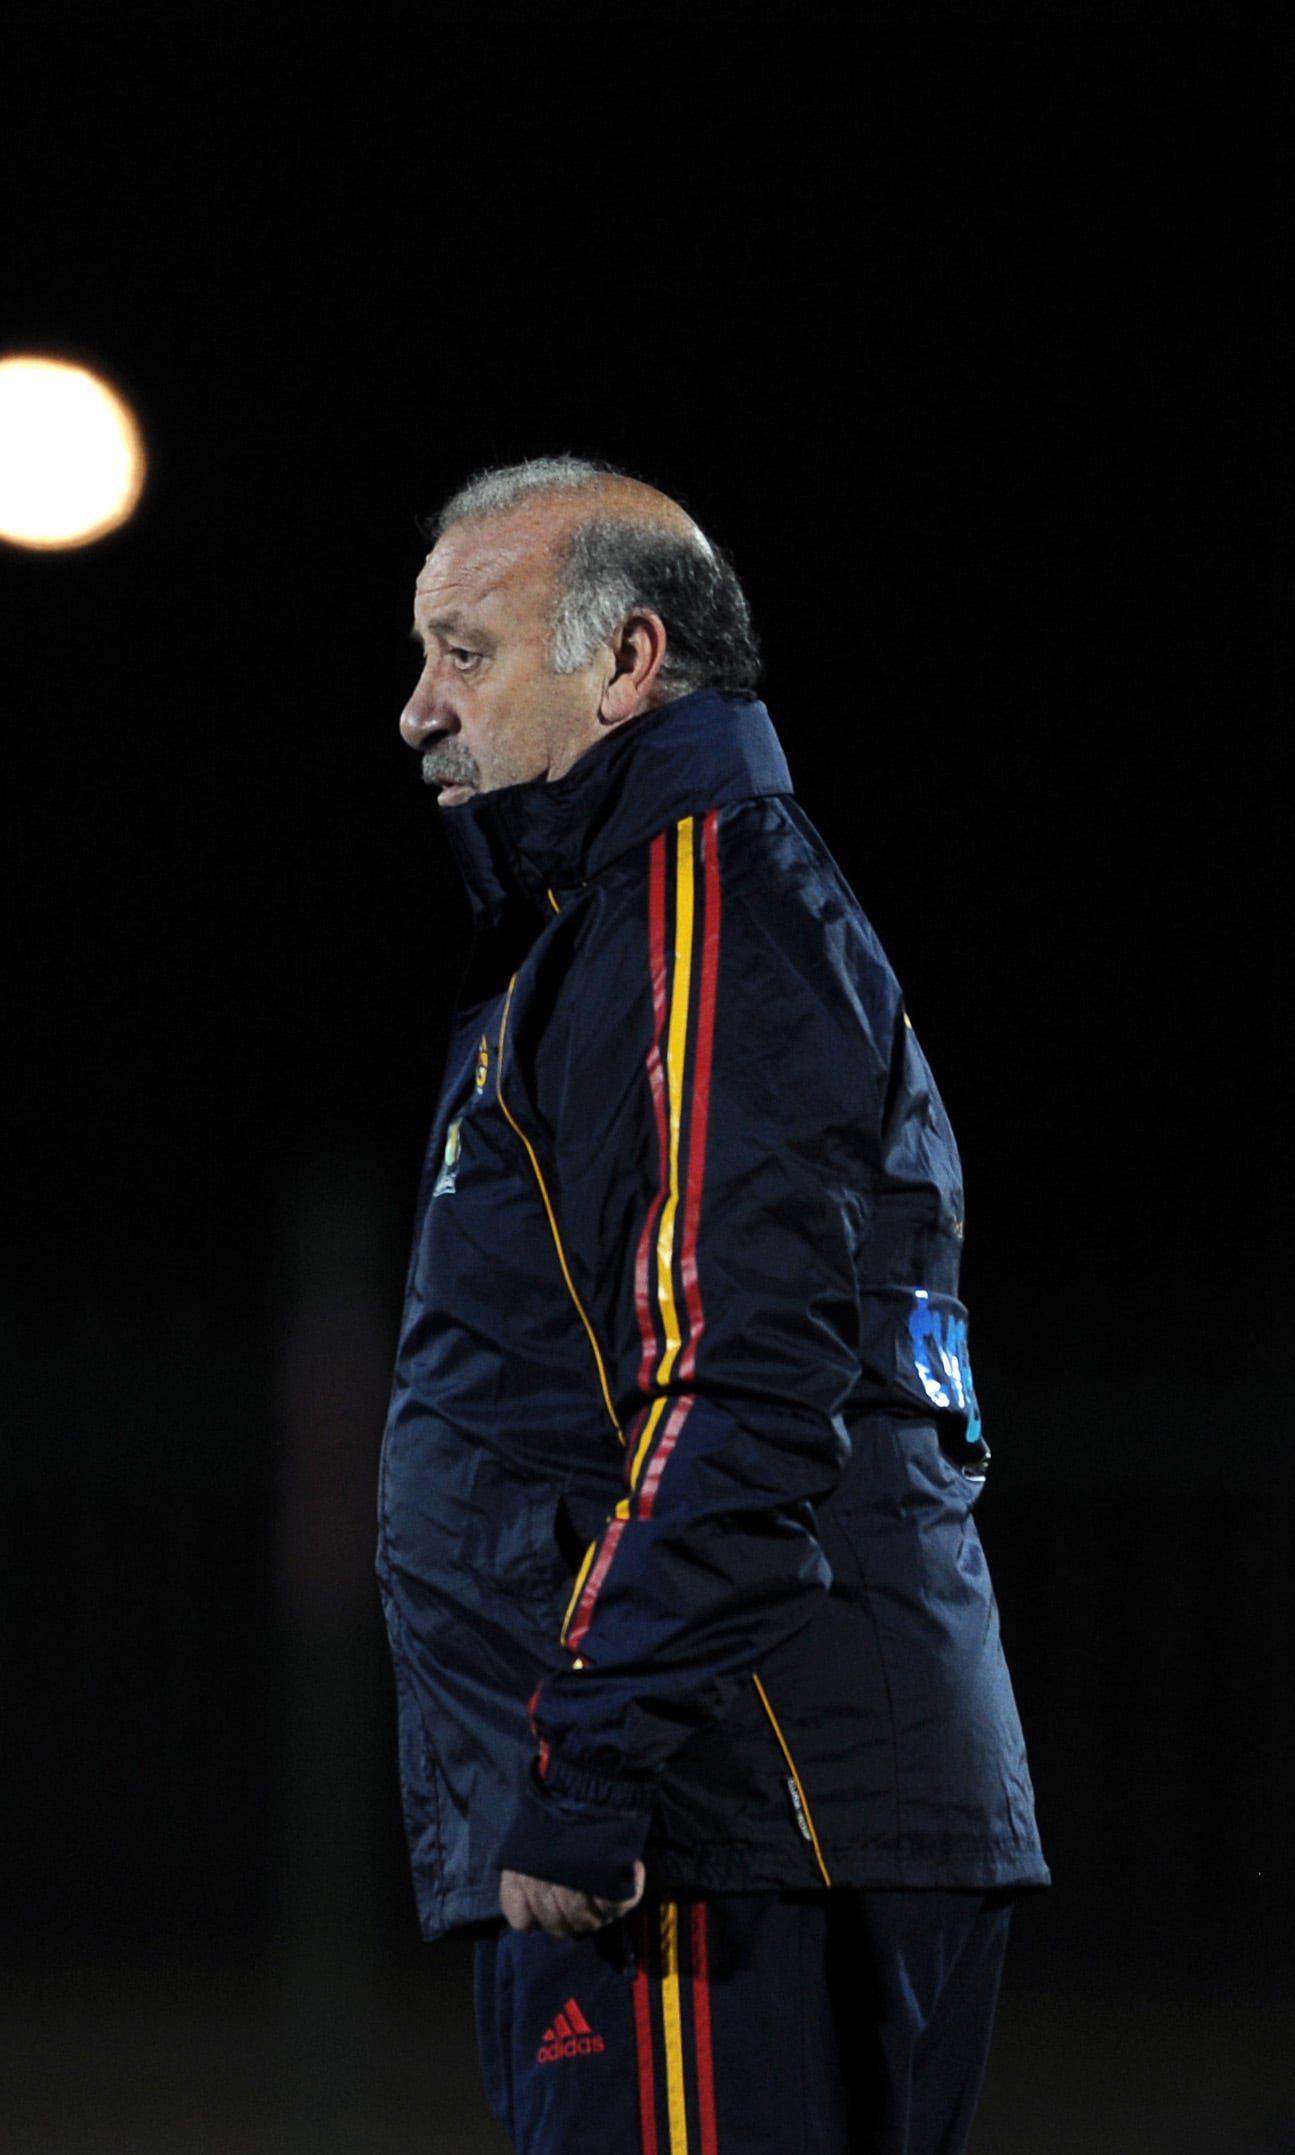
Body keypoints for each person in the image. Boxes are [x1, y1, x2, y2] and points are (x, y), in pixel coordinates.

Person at [377, 458, 1044, 2154]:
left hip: (712, 1835)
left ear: (624, 663)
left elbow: (736, 1377)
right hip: (738, 1815)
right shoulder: (633, 920)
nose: (415, 711)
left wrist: (589, 1767)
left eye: (464, 652)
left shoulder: (687, 911)